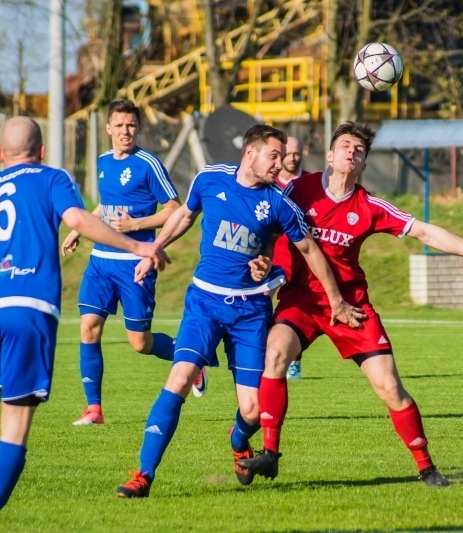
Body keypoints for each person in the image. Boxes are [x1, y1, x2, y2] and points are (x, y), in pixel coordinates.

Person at [239, 122, 463, 487]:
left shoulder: (368, 206)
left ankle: (426, 467)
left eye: (359, 150)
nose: (351, 152)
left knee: (389, 386)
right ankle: (270, 454)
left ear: (364, 164)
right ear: (329, 154)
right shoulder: (296, 190)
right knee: (275, 355)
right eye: (344, 146)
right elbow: (264, 219)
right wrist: (260, 259)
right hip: (302, 302)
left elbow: (424, 231)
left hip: (351, 307)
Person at [0, 117, 167, 533]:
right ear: (41, 151)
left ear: (1, 155)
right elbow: (80, 220)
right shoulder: (50, 177)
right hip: (28, 306)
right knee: (15, 422)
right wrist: (140, 244)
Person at [114, 124, 362, 497]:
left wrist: (332, 298)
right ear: (251, 153)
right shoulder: (210, 178)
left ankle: (237, 439)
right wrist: (153, 249)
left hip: (249, 313)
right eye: (273, 155)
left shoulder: (279, 204)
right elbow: (184, 215)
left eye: (282, 156)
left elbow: (310, 252)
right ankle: (143, 475)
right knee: (179, 379)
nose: (279, 164)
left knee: (252, 410)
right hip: (204, 302)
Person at [61, 100, 189, 426]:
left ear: (139, 128)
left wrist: (135, 225)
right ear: (108, 128)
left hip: (136, 263)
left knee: (139, 343)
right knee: (89, 327)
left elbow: (174, 209)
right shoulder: (103, 162)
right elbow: (106, 205)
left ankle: (190, 359)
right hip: (101, 261)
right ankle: (94, 409)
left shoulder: (148, 163)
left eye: (131, 125)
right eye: (119, 126)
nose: (125, 132)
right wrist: (79, 229)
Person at [277, 135, 306, 380]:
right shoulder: (269, 182)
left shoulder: (311, 183)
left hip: (304, 260)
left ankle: (294, 360)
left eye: (297, 154)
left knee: (296, 309)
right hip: (275, 257)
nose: (293, 158)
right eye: (288, 154)